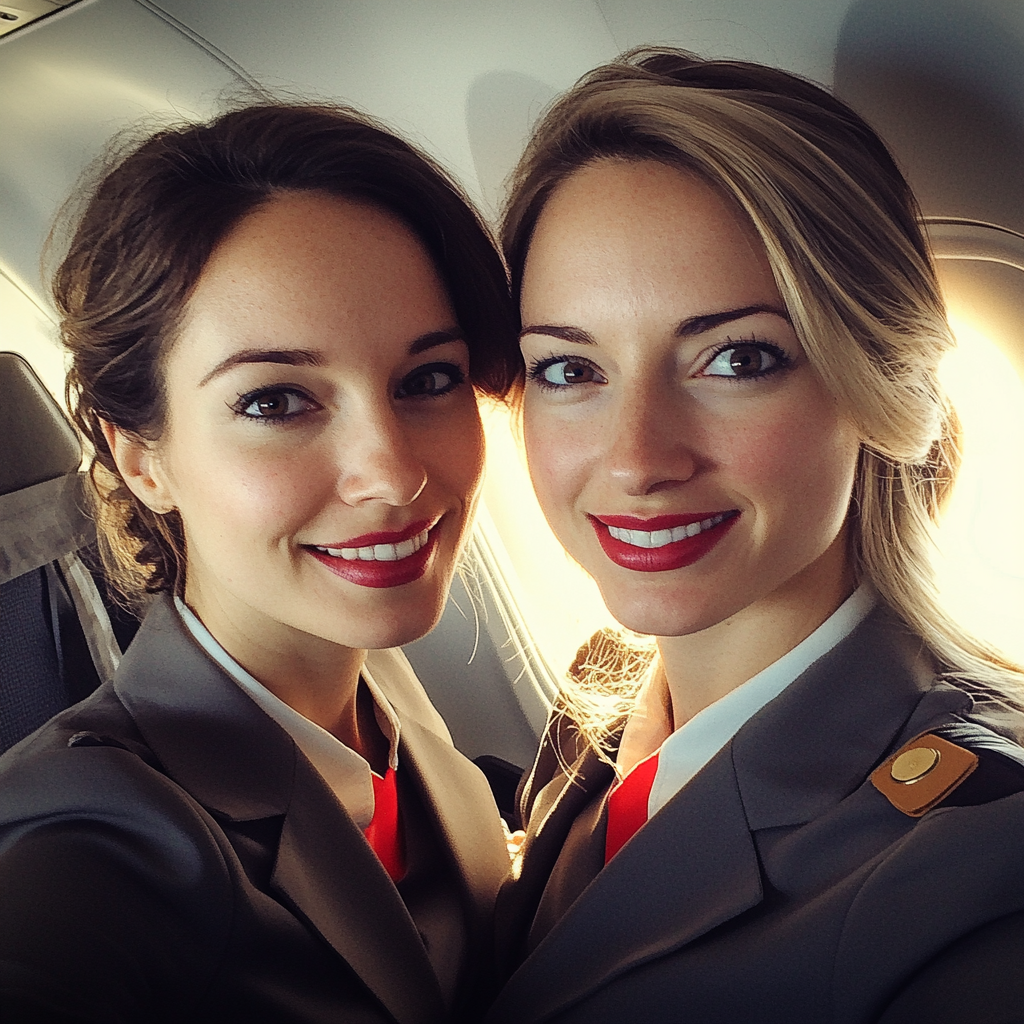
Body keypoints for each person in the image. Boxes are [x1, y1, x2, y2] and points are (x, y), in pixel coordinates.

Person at [485, 48, 1024, 1024]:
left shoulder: (975, 869)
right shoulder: (595, 708)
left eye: (735, 357)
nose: (637, 457)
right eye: (570, 369)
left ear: (875, 383)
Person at [0, 103, 519, 1023]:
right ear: (140, 459)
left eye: (428, 379)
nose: (395, 475)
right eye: (277, 401)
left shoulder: (380, 693)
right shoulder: (90, 836)